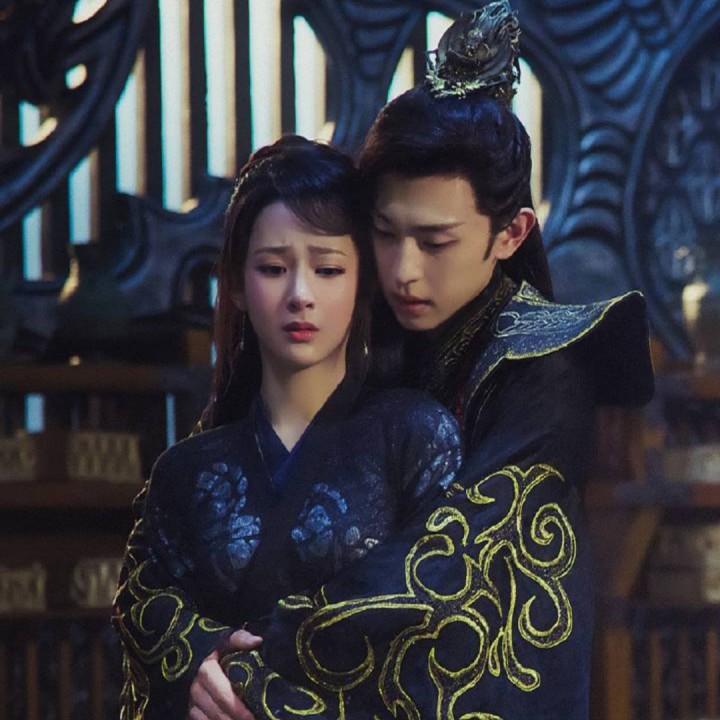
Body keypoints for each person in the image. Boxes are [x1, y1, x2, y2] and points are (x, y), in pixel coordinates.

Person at [214, 3, 655, 719]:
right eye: (385, 234)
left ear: (511, 234)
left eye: (435, 242)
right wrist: (198, 646)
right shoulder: (348, 329)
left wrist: (257, 652)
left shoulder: (544, 366)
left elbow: (447, 567)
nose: (403, 271)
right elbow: (220, 496)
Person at [111, 135, 464, 720]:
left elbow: (440, 622)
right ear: (236, 283)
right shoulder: (185, 471)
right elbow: (144, 607)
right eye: (273, 268)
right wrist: (197, 661)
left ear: (364, 282)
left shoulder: (416, 437)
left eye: (328, 269)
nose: (300, 295)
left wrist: (251, 678)